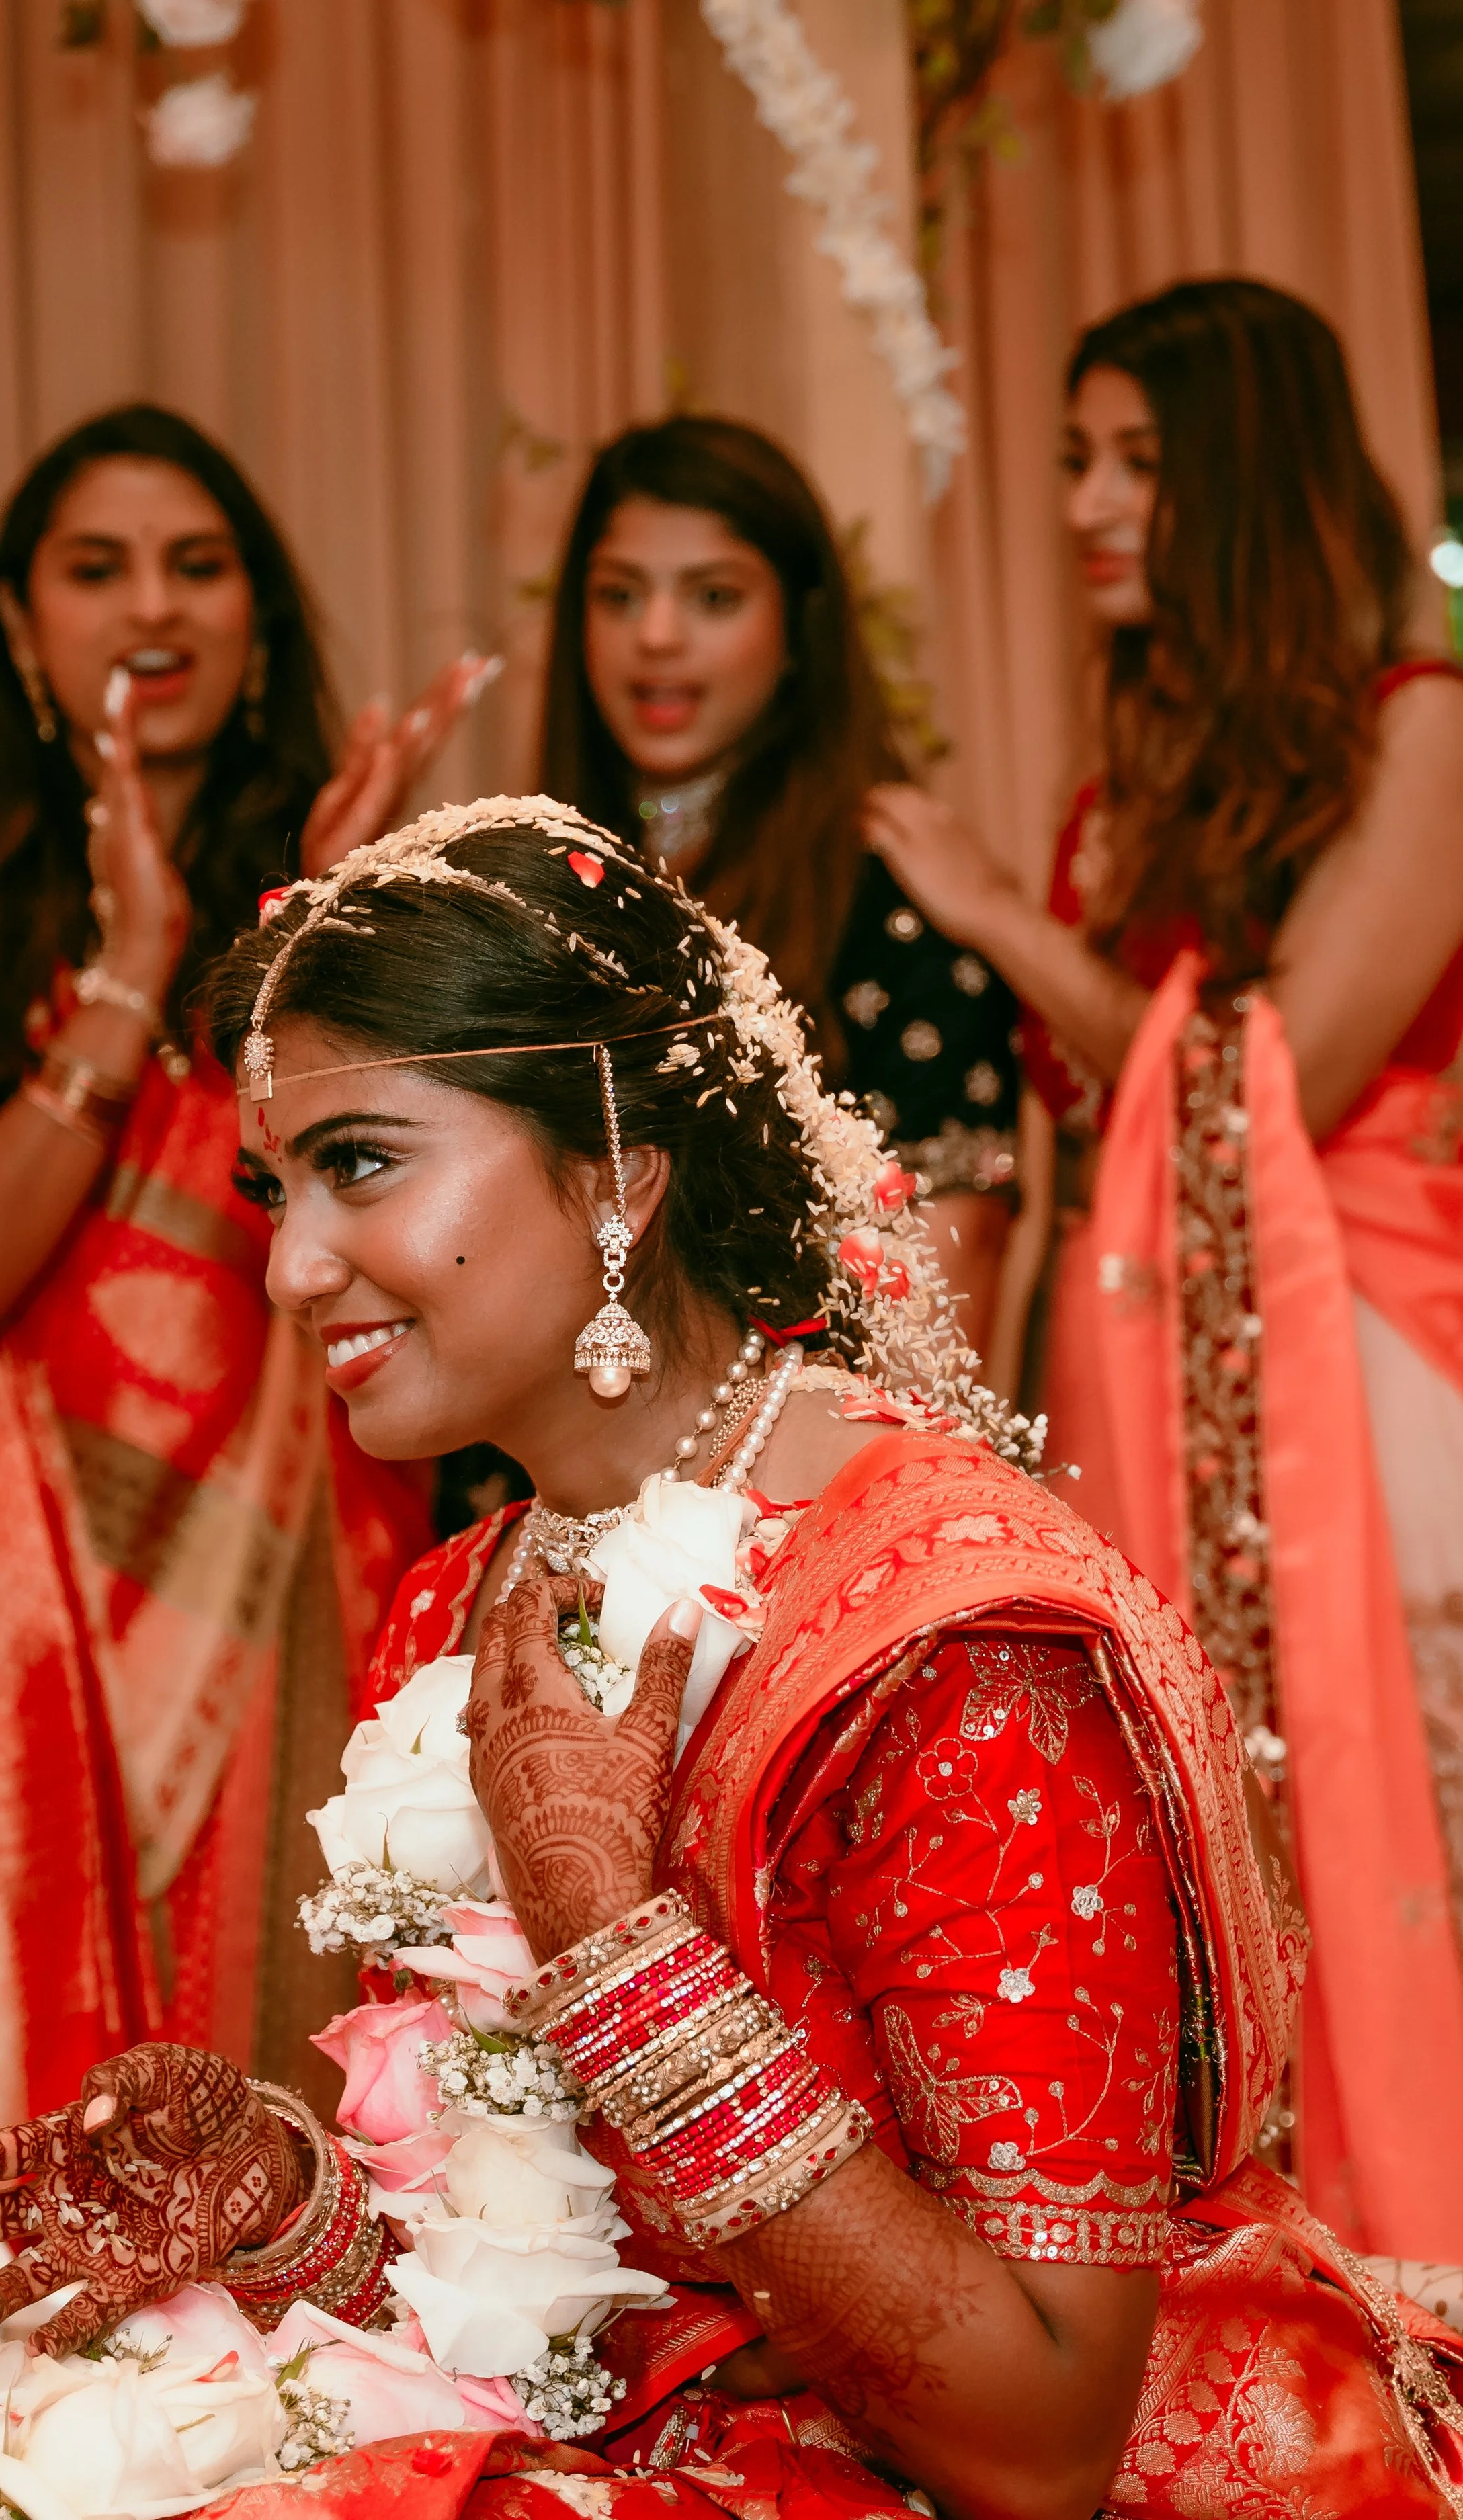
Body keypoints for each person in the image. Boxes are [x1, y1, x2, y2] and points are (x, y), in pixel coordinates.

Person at [0, 801, 1463, 2520]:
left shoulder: (944, 1636)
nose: (289, 1266)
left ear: (619, 1163)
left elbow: (1039, 2443)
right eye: (272, 1188)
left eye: (360, 1164)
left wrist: (619, 1956)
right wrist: (295, 2209)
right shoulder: (465, 1607)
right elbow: (566, 2290)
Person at [0, 405, 476, 2196]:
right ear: (21, 621)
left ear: (257, 618)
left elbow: (399, 1213)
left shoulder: (328, 885)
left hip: (286, 1556)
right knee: (52, 2154)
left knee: (292, 2101)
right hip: (26, 1589)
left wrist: (341, 930)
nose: (149, 605)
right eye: (95, 567)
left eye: (197, 562)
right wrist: (129, 984)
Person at [864, 278, 1463, 2263]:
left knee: (1407, 1844)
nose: (1089, 504)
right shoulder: (1128, 786)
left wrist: (980, 909)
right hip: (1147, 1367)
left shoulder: (1419, 730)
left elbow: (1268, 1068)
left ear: (1241, 476)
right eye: (1068, 463)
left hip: (1369, 1350)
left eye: (1132, 460)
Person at [542, 417, 1021, 1357]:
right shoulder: (542, 885)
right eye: (619, 595)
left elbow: (935, 1323)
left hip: (786, 1478)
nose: (658, 637)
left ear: (799, 628)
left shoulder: (890, 899)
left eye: (714, 596)